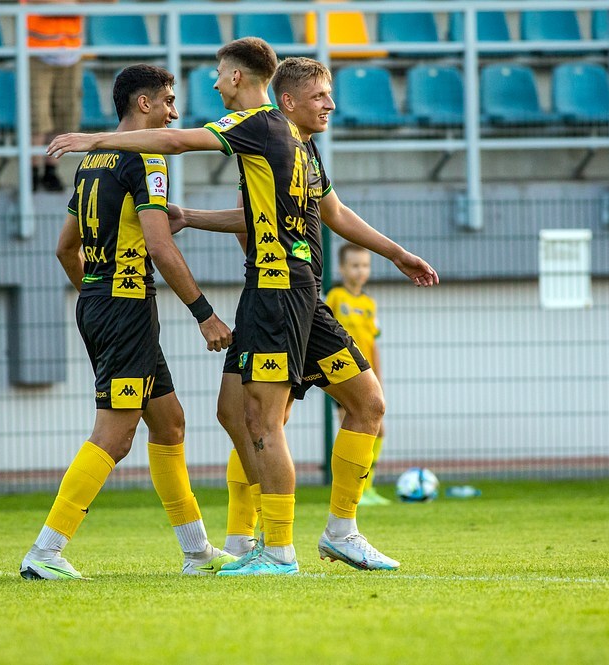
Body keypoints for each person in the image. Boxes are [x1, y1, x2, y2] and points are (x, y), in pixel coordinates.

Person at [169, 56, 438, 575]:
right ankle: (264, 544)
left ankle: (339, 533)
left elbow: (331, 213)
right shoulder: (264, 132)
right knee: (245, 416)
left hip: (301, 296)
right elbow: (242, 206)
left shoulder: (304, 149)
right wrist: (97, 141)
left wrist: (396, 253)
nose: (331, 104)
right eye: (319, 96)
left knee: (367, 404)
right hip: (274, 293)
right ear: (288, 100)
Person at [21, 64, 236, 580]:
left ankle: (197, 551)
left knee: (169, 421)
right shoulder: (147, 157)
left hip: (103, 301)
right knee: (115, 435)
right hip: (126, 307)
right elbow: (159, 245)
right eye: (168, 101)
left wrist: (97, 298)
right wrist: (204, 314)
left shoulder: (93, 159)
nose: (174, 113)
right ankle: (45, 551)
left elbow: (65, 248)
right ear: (144, 104)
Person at [326, 243, 391, 506]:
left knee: (378, 431)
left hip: (366, 376)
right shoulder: (335, 297)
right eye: (354, 265)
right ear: (342, 269)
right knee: (352, 431)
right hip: (342, 373)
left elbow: (373, 344)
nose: (360, 271)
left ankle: (367, 488)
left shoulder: (368, 303)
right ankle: (349, 491)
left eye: (365, 265)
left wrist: (378, 380)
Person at [24, 0, 84, 192]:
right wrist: (71, 4)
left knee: (65, 112)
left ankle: (51, 169)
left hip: (71, 52)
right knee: (37, 113)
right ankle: (33, 170)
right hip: (37, 51)